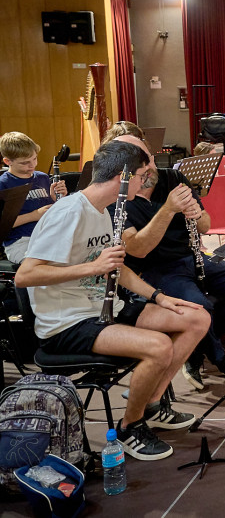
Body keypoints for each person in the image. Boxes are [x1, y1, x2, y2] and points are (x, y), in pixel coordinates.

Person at [15, 141, 208, 460]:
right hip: (67, 323)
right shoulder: (69, 212)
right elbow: (25, 275)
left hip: (103, 309)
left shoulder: (105, 210)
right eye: (142, 175)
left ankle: (152, 405)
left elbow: (117, 268)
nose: (146, 182)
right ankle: (130, 427)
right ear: (123, 175)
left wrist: (159, 297)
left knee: (195, 319)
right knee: (159, 346)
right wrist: (94, 267)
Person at [108, 134, 225, 390]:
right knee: (200, 308)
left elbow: (206, 225)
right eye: (143, 165)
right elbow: (138, 250)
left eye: (150, 159)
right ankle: (216, 355)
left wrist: (197, 214)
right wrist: (167, 210)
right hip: (154, 269)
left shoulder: (172, 177)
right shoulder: (117, 197)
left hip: (192, 257)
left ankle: (196, 347)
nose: (151, 168)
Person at [0, 132, 68, 264]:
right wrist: (34, 215)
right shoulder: (4, 184)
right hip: (20, 242)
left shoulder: (42, 177)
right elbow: (3, 225)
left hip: (48, 236)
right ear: (8, 162)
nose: (33, 165)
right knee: (44, 266)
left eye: (35, 159)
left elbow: (52, 213)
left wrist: (57, 200)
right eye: (25, 163)